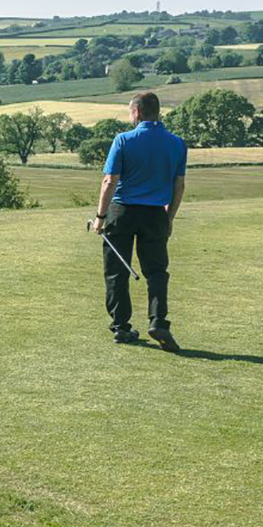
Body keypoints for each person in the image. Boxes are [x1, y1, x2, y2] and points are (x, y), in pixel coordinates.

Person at [93, 92, 186, 351]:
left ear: (136, 113)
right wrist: (169, 218)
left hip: (121, 212)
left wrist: (100, 217)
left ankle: (121, 327)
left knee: (116, 271)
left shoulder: (123, 140)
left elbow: (109, 181)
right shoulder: (177, 143)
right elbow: (179, 186)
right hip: (155, 213)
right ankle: (159, 321)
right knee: (156, 272)